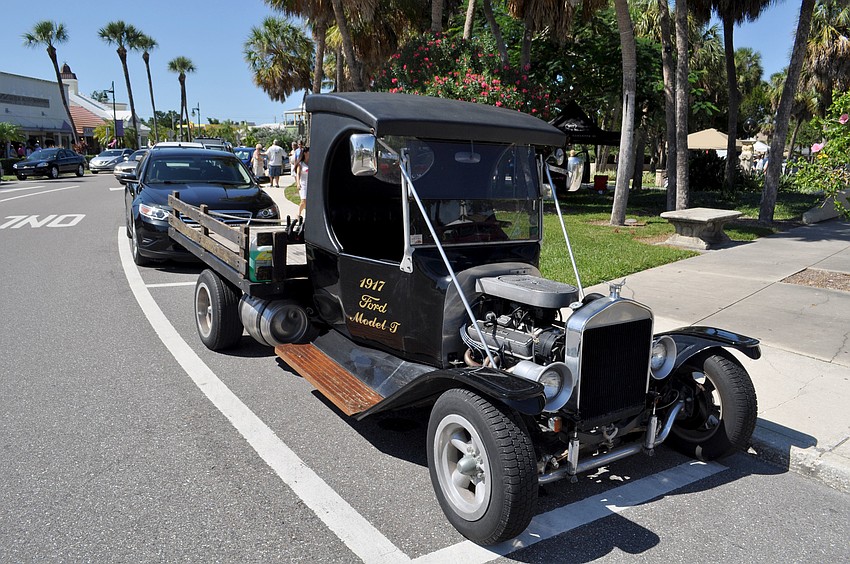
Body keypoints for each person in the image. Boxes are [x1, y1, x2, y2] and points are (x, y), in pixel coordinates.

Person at [296, 147, 309, 218]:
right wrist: (298, 183)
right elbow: (298, 174)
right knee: (303, 200)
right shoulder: (300, 163)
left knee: (308, 201)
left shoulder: (311, 162)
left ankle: (308, 214)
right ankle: (298, 213)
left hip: (310, 184)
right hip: (303, 184)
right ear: (305, 153)